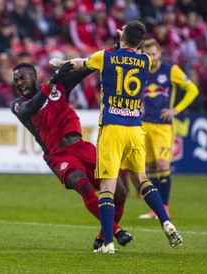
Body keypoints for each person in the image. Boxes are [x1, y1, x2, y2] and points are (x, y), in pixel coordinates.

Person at [51, 20, 183, 253]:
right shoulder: (146, 60)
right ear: (141, 42)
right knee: (142, 179)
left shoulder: (106, 57)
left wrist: (60, 63)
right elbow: (135, 47)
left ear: (122, 38)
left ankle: (108, 243)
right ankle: (166, 221)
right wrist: (128, 38)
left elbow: (81, 64)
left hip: (112, 128)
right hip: (135, 128)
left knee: (107, 187)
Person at [11, 62, 133, 250]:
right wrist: (51, 82)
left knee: (121, 191)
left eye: (22, 77)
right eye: (16, 80)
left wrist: (114, 51)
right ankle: (115, 231)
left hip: (81, 147)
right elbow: (31, 109)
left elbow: (89, 67)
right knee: (83, 185)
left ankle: (102, 238)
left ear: (33, 76)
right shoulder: (18, 105)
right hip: (58, 155)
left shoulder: (59, 87)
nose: (19, 82)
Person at [139, 38, 199, 219]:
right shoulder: (141, 71)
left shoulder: (170, 70)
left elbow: (192, 90)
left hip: (163, 126)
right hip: (144, 124)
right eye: (148, 55)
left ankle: (164, 207)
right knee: (151, 166)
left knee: (163, 163)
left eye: (154, 54)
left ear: (160, 54)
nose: (151, 58)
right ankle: (154, 209)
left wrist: (176, 110)